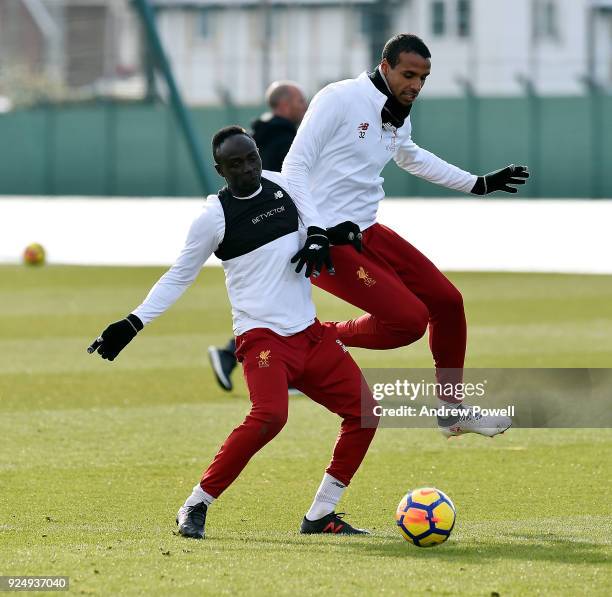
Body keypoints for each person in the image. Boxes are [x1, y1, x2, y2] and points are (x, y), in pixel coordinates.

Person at [87, 126, 376, 538]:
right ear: (219, 169)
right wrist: (133, 322)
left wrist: (333, 234)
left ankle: (321, 514)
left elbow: (313, 226)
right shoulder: (213, 218)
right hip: (262, 339)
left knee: (366, 412)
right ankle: (196, 504)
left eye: (252, 158)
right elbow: (178, 276)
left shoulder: (283, 186)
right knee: (271, 415)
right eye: (235, 164)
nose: (247, 169)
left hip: (310, 334)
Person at [280, 33, 530, 438]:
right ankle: (313, 338)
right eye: (409, 74)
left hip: (367, 232)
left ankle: (451, 413)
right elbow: (293, 168)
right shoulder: (338, 98)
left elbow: (409, 154)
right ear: (385, 67)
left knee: (448, 302)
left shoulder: (397, 111)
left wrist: (478, 184)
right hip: (324, 243)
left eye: (424, 78)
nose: (416, 85)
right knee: (410, 322)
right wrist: (315, 231)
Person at [208, 81, 308, 392]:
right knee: (280, 301)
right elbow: (289, 179)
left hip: (263, 223)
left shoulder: (257, 134)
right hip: (275, 224)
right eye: (301, 101)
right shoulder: (285, 138)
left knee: (275, 301)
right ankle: (233, 355)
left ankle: (231, 356)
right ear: (286, 104)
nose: (305, 107)